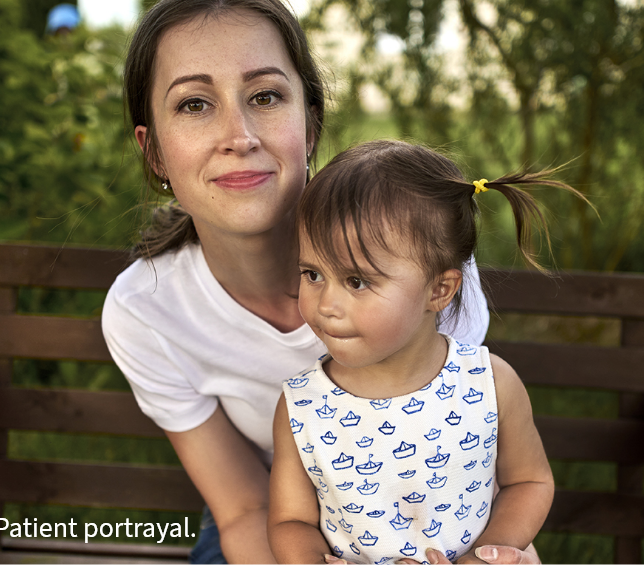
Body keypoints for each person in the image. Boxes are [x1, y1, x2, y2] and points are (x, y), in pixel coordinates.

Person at [102, 0, 539, 563]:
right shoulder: (145, 313)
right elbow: (244, 509)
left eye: (264, 96)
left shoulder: (415, 261)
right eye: (194, 104)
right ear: (154, 150)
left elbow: (456, 457)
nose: (238, 135)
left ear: (310, 124)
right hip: (274, 521)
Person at [268, 141, 586, 564]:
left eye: (356, 281)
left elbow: (529, 482)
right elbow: (292, 522)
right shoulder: (302, 407)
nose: (326, 304)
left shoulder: (488, 384)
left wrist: (485, 556)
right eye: (312, 274)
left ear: (439, 289)